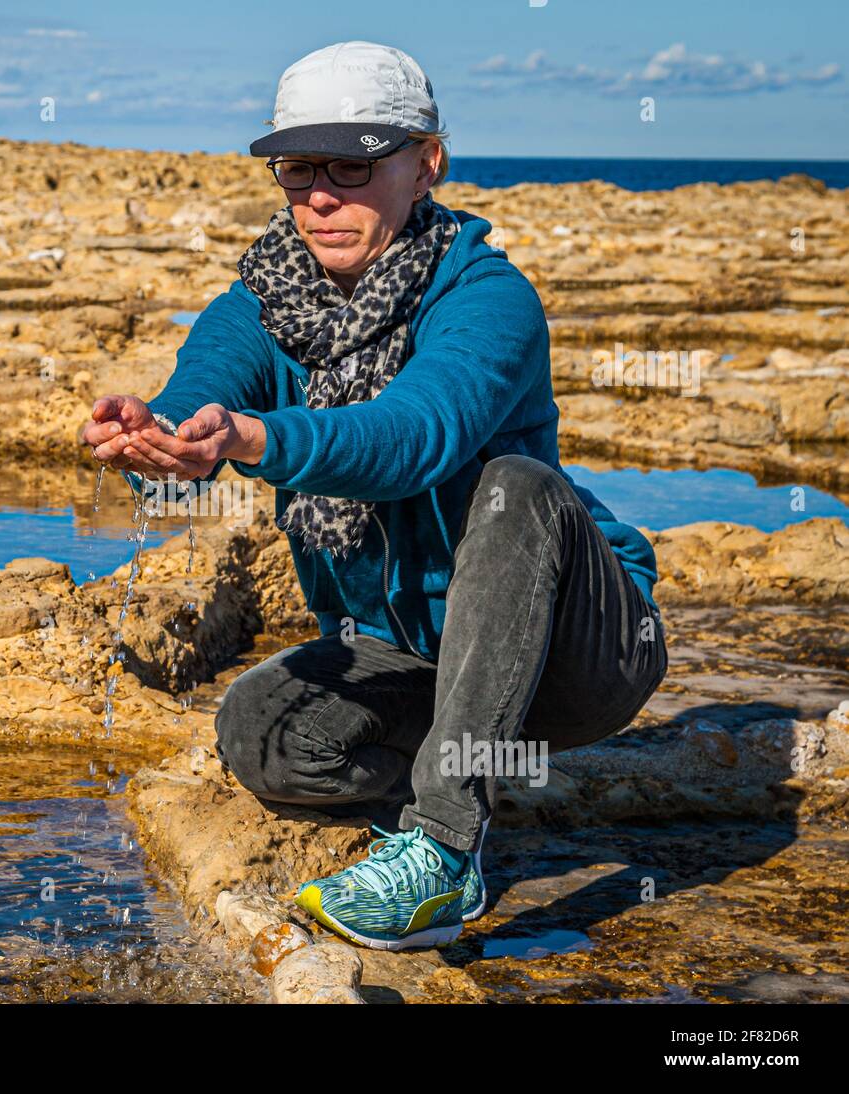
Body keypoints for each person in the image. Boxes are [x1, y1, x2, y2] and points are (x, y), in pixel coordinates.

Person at [79, 40, 667, 952]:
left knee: (515, 490)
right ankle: (460, 760)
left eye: (352, 165)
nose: (321, 195)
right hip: (415, 654)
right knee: (261, 733)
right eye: (298, 168)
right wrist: (154, 434)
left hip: (577, 655)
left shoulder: (487, 298)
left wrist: (259, 439)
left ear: (428, 160)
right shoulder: (263, 299)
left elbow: (410, 439)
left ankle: (442, 853)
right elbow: (207, 391)